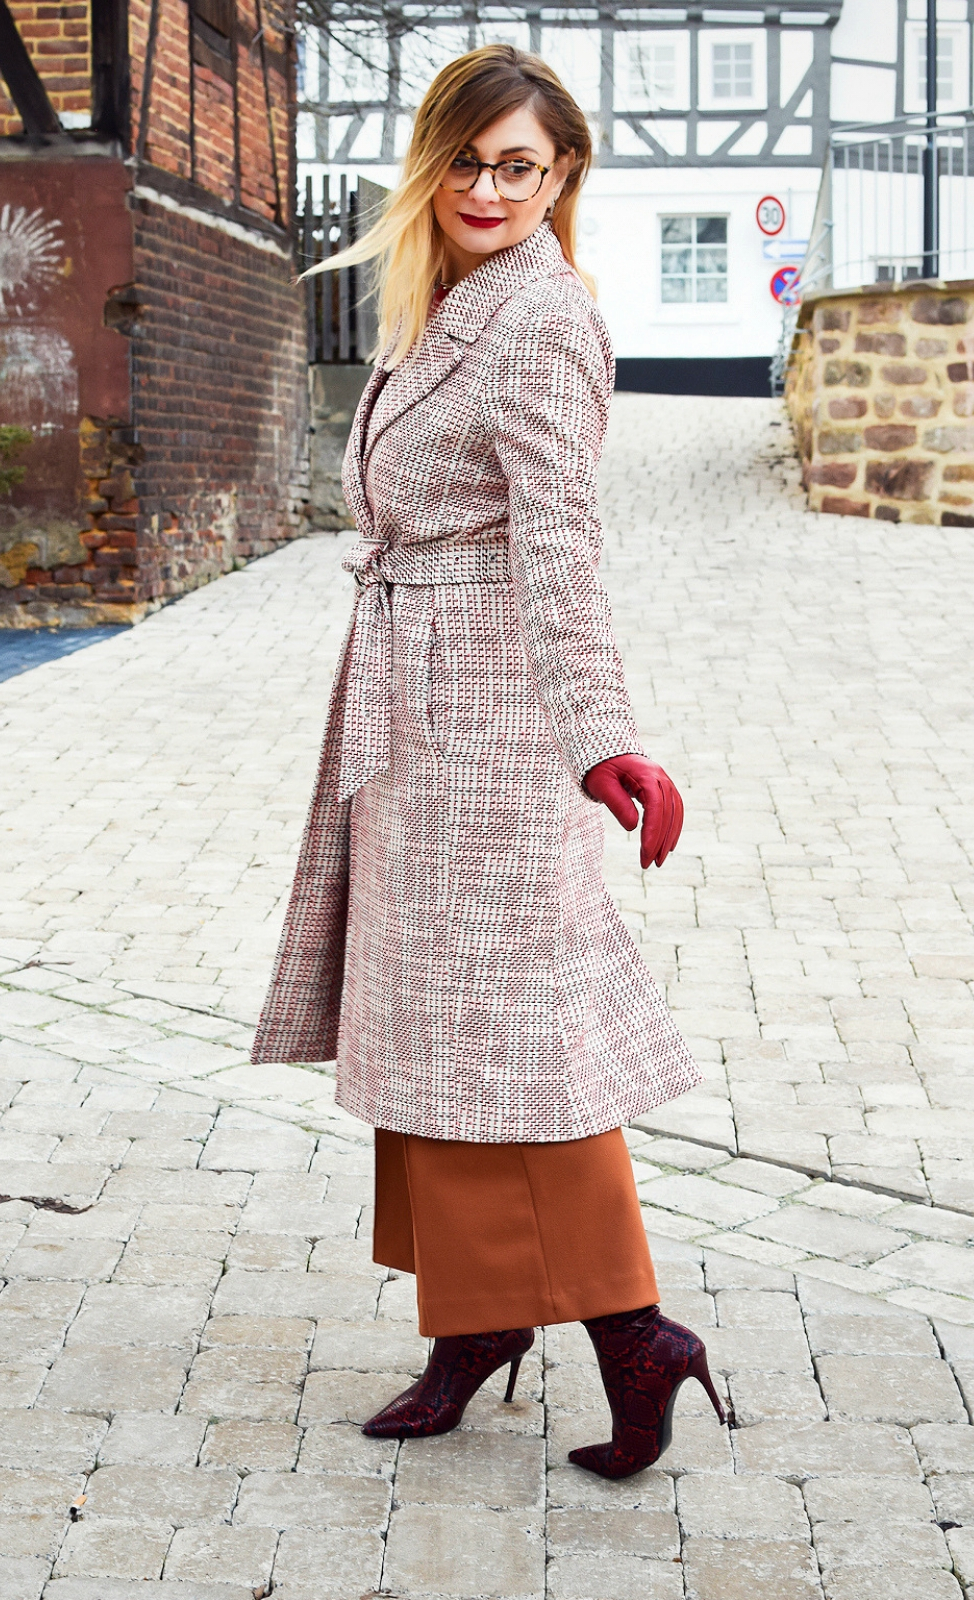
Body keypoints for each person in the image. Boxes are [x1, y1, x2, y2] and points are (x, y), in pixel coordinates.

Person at [251, 43, 725, 1479]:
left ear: (562, 175)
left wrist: (604, 737)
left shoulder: (542, 322)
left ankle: (635, 1335)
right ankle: (475, 1321)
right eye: (465, 159)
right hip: (415, 712)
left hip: (493, 729)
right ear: (429, 164)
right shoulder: (444, 305)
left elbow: (562, 545)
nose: (488, 187)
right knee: (431, 1031)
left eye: (520, 165)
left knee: (516, 1045)